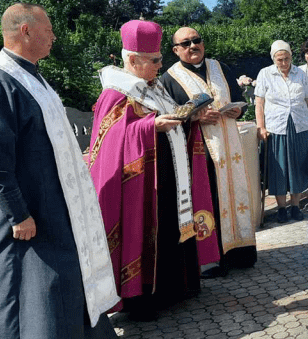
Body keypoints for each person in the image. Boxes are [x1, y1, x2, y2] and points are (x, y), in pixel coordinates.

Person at [0, 3, 119, 338]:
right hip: (26, 218)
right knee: (32, 295)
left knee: (62, 289)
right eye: (48, 29)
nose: (54, 36)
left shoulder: (33, 76)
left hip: (56, 211)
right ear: (25, 30)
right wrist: (17, 214)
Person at [90, 20, 219, 320]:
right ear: (133, 60)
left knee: (172, 227)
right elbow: (110, 145)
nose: (161, 66)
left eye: (161, 59)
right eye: (156, 60)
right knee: (149, 230)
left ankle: (176, 288)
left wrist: (188, 116)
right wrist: (151, 126)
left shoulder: (153, 87)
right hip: (139, 185)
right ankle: (141, 299)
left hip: (169, 174)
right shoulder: (115, 93)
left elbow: (170, 118)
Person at [160, 26, 258, 278]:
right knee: (211, 198)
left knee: (236, 193)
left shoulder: (220, 67)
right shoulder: (169, 79)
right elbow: (169, 116)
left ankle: (241, 252)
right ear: (176, 50)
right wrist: (196, 117)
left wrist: (238, 110)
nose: (193, 46)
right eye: (186, 43)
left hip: (230, 145)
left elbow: (238, 98)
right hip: (200, 152)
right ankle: (214, 259)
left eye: (197, 40)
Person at [255, 40, 308, 223]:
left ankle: (295, 206)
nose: (284, 63)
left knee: (298, 167)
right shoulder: (265, 74)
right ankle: (282, 208)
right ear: (273, 58)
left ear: (291, 56)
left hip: (300, 126)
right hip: (276, 127)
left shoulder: (301, 73)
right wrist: (261, 127)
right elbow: (259, 103)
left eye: (287, 58)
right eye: (280, 59)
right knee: (279, 168)